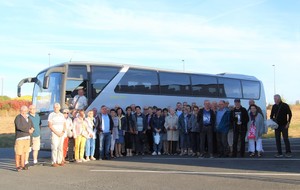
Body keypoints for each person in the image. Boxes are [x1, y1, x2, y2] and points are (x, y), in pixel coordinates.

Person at [14, 106, 34, 171]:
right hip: (20, 137)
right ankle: (18, 166)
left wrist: (32, 129)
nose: (24, 112)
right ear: (20, 110)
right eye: (23, 110)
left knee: (24, 152)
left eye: (25, 111)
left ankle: (23, 165)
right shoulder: (18, 117)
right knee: (18, 152)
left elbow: (32, 124)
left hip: (27, 137)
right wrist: (28, 130)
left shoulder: (28, 117)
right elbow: (19, 127)